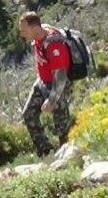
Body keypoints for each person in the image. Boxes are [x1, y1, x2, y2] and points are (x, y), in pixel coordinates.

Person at [19, 12, 74, 157]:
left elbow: (61, 75)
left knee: (61, 124)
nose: (22, 34)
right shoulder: (40, 33)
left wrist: (52, 99)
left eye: (24, 30)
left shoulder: (53, 44)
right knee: (29, 114)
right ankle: (46, 153)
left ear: (35, 28)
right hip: (43, 81)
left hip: (57, 84)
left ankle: (67, 156)